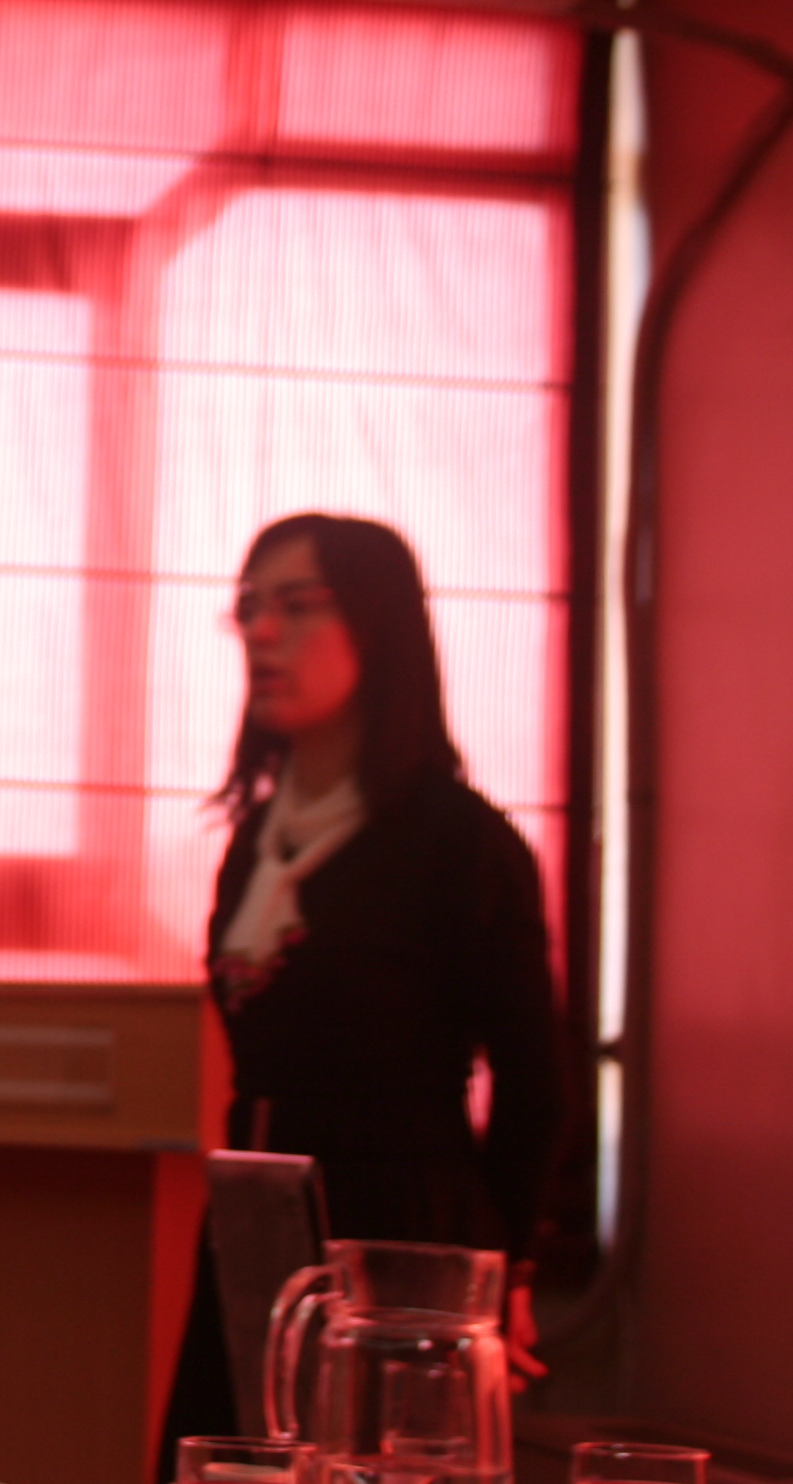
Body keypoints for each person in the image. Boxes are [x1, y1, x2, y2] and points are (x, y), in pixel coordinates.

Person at [203, 513, 565, 1254]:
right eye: (249, 606)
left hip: (402, 1232)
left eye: (297, 605)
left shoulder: (457, 841)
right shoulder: (256, 839)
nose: (261, 632)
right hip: (256, 1221)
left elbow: (537, 1086)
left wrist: (510, 1262)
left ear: (378, 627)